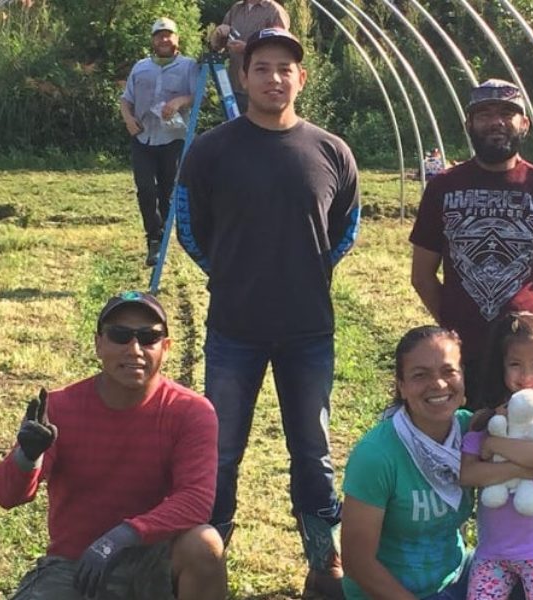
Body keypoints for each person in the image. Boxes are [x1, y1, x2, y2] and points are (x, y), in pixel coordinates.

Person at [174, 28, 359, 598]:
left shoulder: (330, 150)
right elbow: (189, 227)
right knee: (221, 450)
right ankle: (211, 562)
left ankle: (322, 563)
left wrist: (303, 271)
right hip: (235, 329)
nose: (275, 78)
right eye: (262, 68)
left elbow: (344, 229)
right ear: (243, 76)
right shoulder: (212, 150)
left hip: (308, 330)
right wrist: (230, 272)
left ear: (300, 78)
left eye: (285, 68)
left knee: (313, 451)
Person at [341, 326, 533, 600]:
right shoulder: (377, 455)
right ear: (401, 386)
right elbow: (357, 563)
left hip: (458, 580)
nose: (438, 384)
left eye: (448, 371)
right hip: (399, 594)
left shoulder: (472, 428)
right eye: (419, 375)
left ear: (463, 377)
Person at [0, 291, 225, 599]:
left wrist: (122, 536)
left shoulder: (191, 411)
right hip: (74, 567)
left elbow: (196, 501)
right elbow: (8, 496)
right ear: (99, 344)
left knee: (204, 544)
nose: (135, 349)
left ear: (166, 348)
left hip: (151, 561)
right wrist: (27, 456)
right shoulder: (61, 408)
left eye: (148, 337)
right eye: (120, 336)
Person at [409, 79, 533, 409]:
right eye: (484, 114)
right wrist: (453, 324)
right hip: (462, 352)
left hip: (524, 361)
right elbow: (422, 276)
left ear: (524, 124)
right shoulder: (443, 188)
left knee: (525, 440)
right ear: (469, 125)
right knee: (467, 442)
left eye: (507, 113)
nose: (496, 121)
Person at [461, 312, 533, 600]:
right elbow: (467, 473)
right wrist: (493, 438)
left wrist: (494, 445)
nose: (527, 376)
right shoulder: (484, 420)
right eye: (515, 364)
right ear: (500, 368)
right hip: (492, 551)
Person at [120, 18, 200, 267]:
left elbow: (199, 96)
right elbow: (126, 100)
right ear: (153, 40)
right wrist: (128, 120)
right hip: (143, 136)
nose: (164, 39)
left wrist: (178, 102)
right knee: (145, 188)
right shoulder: (141, 67)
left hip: (172, 139)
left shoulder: (189, 66)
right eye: (159, 35)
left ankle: (162, 237)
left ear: (177, 39)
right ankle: (153, 238)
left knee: (166, 191)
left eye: (169, 35)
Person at [207, 0, 290, 113]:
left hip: (262, 90)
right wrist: (218, 34)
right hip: (233, 87)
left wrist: (247, 48)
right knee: (235, 129)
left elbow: (281, 51)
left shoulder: (274, 11)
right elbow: (218, 47)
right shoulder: (236, 9)